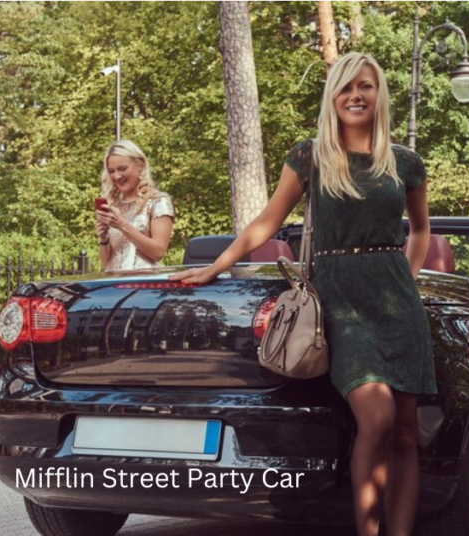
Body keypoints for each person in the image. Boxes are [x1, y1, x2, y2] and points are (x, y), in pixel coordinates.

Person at [171, 53, 435, 536]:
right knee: (375, 419)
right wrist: (216, 264)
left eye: (365, 86)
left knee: (404, 431)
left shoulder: (404, 162)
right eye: (345, 88)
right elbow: (267, 223)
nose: (355, 95)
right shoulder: (311, 155)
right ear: (332, 98)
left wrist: (409, 276)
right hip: (341, 299)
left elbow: (420, 231)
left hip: (397, 301)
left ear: (379, 95)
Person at [95, 140, 175, 271]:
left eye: (122, 169)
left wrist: (122, 225)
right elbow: (106, 263)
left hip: (143, 285)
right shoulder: (114, 205)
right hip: (114, 285)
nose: (117, 176)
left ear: (140, 166)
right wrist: (103, 239)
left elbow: (158, 252)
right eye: (111, 171)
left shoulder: (158, 200)